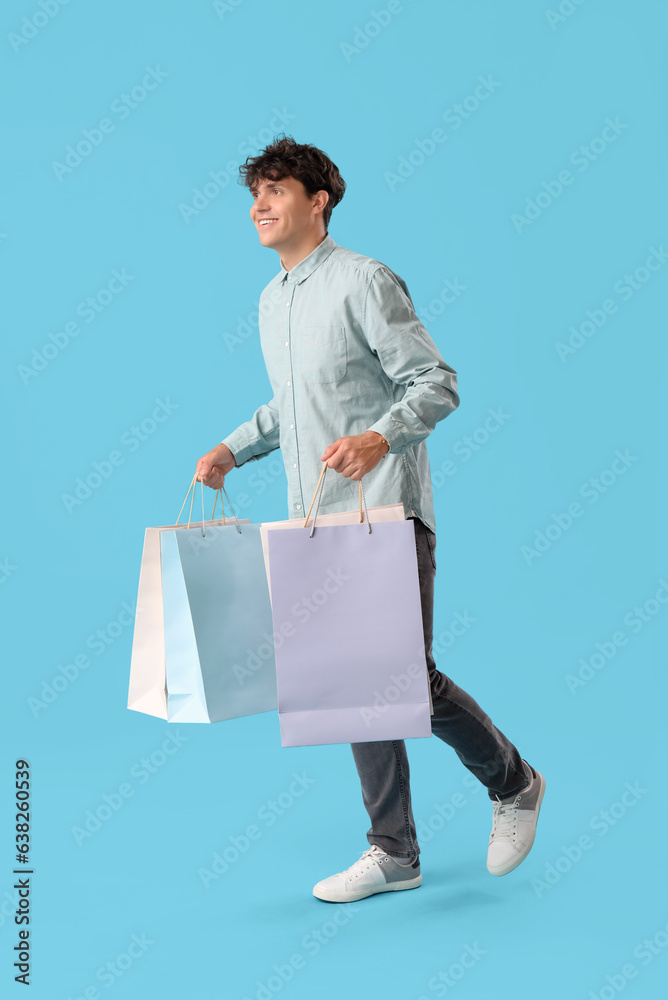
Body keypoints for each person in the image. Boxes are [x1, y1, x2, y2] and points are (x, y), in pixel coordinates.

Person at [195, 135, 545, 904]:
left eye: (276, 189)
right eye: (255, 192)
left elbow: (436, 381)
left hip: (384, 509)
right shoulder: (273, 297)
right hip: (314, 522)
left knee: (401, 677)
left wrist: (381, 436)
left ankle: (514, 782)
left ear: (318, 201)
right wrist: (232, 448)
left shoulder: (363, 280)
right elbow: (295, 407)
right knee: (352, 684)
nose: (259, 204)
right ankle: (394, 851)